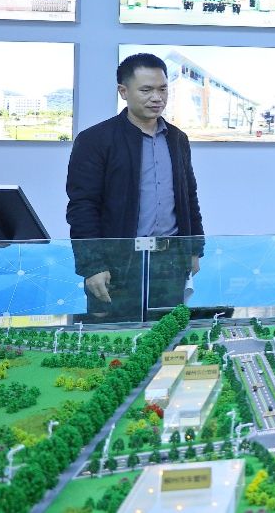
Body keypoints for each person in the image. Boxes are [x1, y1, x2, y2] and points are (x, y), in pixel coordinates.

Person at [66, 54, 203, 322]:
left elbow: (190, 198)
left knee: (167, 336)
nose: (157, 98)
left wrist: (194, 249)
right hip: (117, 264)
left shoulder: (177, 139)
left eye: (163, 89)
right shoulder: (95, 139)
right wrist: (92, 265)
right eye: (146, 90)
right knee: (114, 339)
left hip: (170, 264)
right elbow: (82, 207)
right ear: (123, 92)